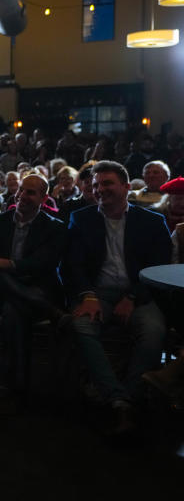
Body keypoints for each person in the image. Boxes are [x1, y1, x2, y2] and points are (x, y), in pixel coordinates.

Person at [65, 161, 171, 436]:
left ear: (126, 186)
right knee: (82, 326)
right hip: (97, 293)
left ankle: (128, 395)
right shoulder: (82, 218)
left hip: (139, 292)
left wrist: (133, 296)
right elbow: (72, 266)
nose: (100, 190)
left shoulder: (151, 221)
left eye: (108, 183)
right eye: (97, 185)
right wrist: (88, 296)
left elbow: (158, 268)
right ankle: (119, 398)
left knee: (153, 331)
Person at [0, 175, 67, 416]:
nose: (22, 196)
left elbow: (42, 264)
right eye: (21, 190)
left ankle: (11, 387)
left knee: (13, 308)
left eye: (30, 193)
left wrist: (3, 263)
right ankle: (50, 310)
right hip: (1, 290)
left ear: (44, 198)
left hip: (36, 287)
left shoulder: (55, 227)